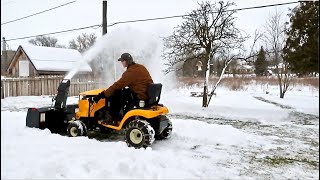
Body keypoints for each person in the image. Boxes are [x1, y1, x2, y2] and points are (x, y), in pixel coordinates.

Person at [92, 53, 153, 124]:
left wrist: (102, 95)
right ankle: (122, 114)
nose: (121, 63)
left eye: (121, 61)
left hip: (140, 95)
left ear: (125, 61)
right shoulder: (141, 67)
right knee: (123, 92)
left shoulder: (130, 72)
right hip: (146, 93)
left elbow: (117, 85)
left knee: (115, 94)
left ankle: (112, 118)